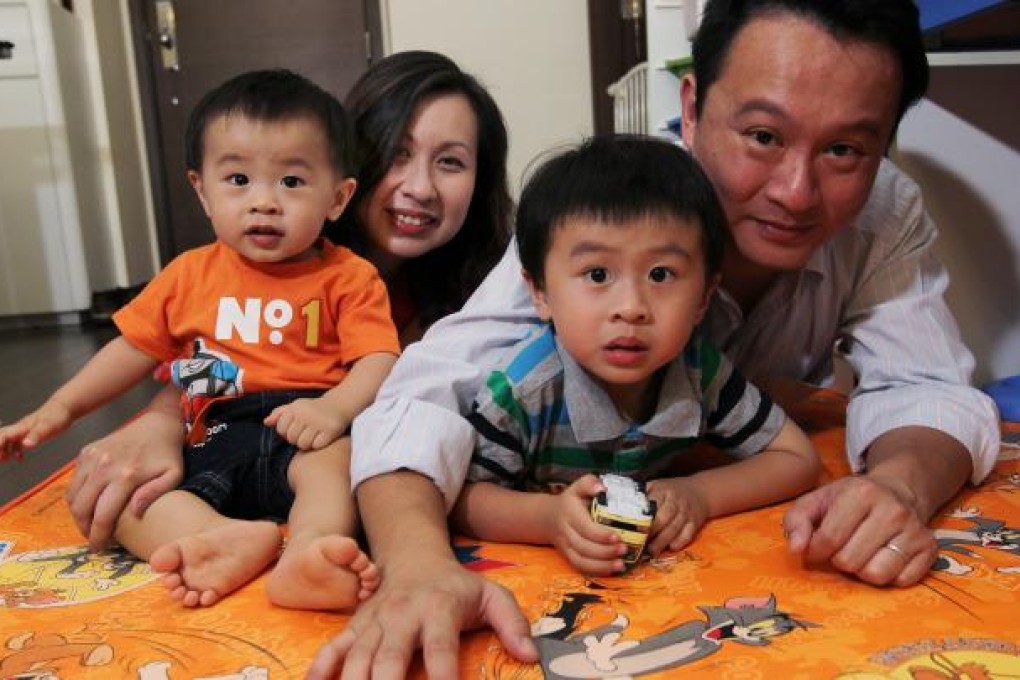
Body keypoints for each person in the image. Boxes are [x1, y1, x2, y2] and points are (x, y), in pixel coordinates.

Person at [309, 0, 1002, 677]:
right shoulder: (602, 217)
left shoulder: (887, 211)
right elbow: (429, 392)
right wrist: (422, 567)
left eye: (847, 149)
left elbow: (924, 385)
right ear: (694, 107)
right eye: (763, 135)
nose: (795, 191)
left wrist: (899, 488)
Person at [62, 51, 511, 549]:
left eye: (451, 162)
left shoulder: (488, 299)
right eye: (397, 154)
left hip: (337, 482)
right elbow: (216, 362)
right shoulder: (256, 266)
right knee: (138, 499)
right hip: (233, 447)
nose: (420, 188)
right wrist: (160, 421)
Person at [0, 69, 402, 610]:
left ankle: (311, 553)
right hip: (210, 425)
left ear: (337, 197)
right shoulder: (188, 275)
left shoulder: (349, 276)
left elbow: (378, 356)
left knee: (335, 470)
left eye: (291, 182)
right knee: (128, 503)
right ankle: (216, 538)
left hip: (306, 428)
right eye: (238, 180)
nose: (264, 202)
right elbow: (131, 350)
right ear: (202, 190)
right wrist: (59, 409)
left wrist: (334, 408)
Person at [452, 136, 820, 574]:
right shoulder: (524, 389)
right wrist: (547, 520)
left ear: (704, 297)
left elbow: (797, 459)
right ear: (540, 292)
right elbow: (461, 499)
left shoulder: (699, 371)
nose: (631, 306)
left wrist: (700, 494)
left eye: (660, 274)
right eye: (597, 274)